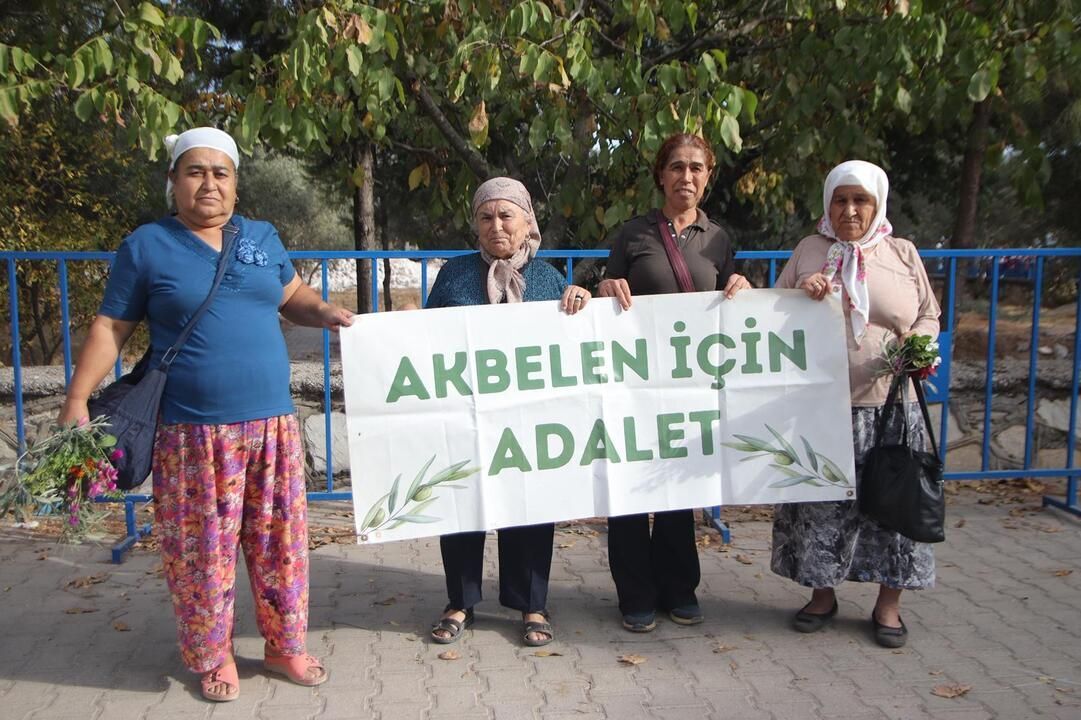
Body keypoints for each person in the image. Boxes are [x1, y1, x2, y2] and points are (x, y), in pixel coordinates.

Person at [58, 127, 353, 701]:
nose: (209, 184)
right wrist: (75, 399)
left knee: (282, 545)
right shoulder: (147, 246)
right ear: (173, 180)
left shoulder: (261, 236)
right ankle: (213, 656)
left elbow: (291, 296)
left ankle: (285, 645)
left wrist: (325, 312)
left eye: (221, 173)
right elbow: (111, 326)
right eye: (195, 172)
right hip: (192, 432)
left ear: (236, 184)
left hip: (273, 425)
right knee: (202, 553)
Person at [769, 159, 941, 648]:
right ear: (827, 204)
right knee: (822, 507)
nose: (849, 210)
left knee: (894, 504)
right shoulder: (809, 250)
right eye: (840, 200)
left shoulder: (901, 253)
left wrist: (919, 346)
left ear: (877, 204)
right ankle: (822, 596)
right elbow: (770, 314)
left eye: (860, 200)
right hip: (822, 407)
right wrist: (801, 294)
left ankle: (888, 606)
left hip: (892, 408)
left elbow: (928, 314)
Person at [425, 177, 592, 647]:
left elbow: (574, 341)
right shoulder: (453, 275)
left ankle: (531, 603)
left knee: (531, 504)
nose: (496, 225)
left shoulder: (550, 279)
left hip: (528, 420)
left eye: (506, 215)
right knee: (462, 502)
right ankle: (460, 601)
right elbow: (425, 338)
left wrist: (583, 302)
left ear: (527, 222)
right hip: (467, 414)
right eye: (486, 217)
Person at [597, 133, 751, 632]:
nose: (687, 176)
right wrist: (605, 286)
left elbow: (731, 307)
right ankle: (635, 595)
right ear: (661, 175)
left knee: (678, 489)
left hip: (690, 384)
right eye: (677, 167)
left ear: (708, 177)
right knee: (629, 488)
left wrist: (743, 287)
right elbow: (606, 293)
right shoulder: (633, 233)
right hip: (634, 381)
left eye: (696, 168)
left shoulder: (718, 238)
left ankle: (679, 589)